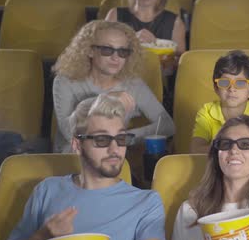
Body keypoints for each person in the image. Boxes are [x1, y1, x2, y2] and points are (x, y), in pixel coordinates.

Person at [0, 94, 167, 240]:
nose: (115, 148)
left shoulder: (145, 201)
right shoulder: (47, 189)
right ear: (77, 145)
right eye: (102, 139)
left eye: (121, 138)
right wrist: (43, 235)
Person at [52, 20, 175, 153]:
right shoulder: (65, 81)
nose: (116, 58)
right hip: (72, 156)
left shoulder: (133, 84)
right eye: (107, 50)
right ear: (89, 51)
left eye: (122, 52)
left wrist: (124, 138)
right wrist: (105, 99)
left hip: (113, 158)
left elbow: (167, 125)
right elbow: (68, 132)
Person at [190, 50, 249, 153]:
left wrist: (222, 146)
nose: (232, 88)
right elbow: (195, 149)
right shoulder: (207, 112)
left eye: (240, 83)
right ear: (216, 88)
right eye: (224, 82)